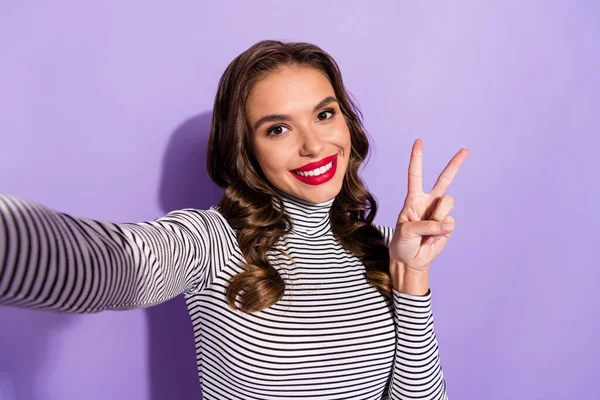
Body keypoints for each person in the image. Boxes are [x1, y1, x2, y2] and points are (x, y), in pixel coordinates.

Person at [0, 40, 468, 399]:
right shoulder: (210, 241)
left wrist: (411, 277)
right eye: (278, 128)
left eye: (324, 114)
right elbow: (110, 263)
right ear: (245, 149)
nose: (313, 145)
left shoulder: (384, 246)